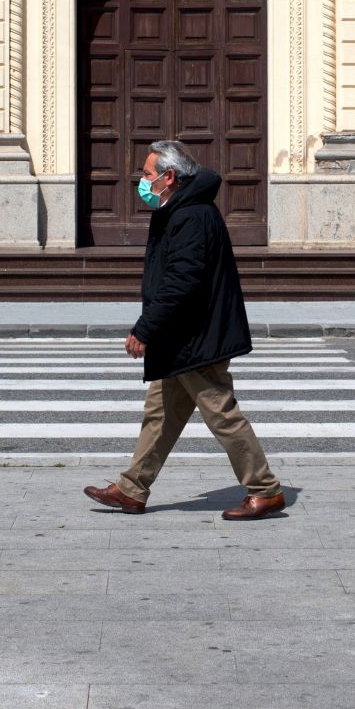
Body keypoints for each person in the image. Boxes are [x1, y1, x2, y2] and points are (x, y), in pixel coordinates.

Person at [83, 139, 285, 520]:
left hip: (196, 337)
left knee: (221, 413)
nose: (141, 182)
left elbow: (182, 282)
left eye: (147, 175)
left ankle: (265, 490)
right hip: (180, 337)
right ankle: (132, 488)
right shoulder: (180, 209)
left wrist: (145, 328)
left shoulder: (190, 215)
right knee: (159, 415)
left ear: (169, 177)